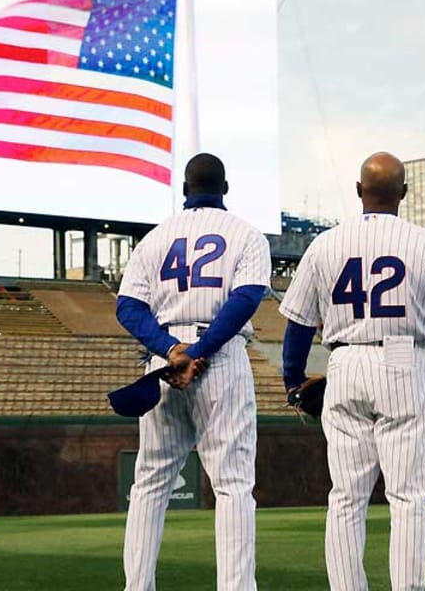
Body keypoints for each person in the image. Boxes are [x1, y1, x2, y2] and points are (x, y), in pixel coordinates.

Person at [279, 152, 425, 591]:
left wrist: (292, 381)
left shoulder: (325, 243)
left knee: (345, 497)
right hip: (401, 358)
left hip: (344, 360)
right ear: (404, 193)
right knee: (408, 496)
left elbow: (299, 324)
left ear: (359, 191)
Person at [116, 153, 272, 590]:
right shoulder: (245, 233)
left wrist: (171, 350)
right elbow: (245, 299)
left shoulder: (155, 238)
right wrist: (198, 352)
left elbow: (127, 307)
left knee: (149, 484)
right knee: (234, 486)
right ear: (225, 188)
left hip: (165, 362)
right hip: (217, 360)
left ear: (185, 189)